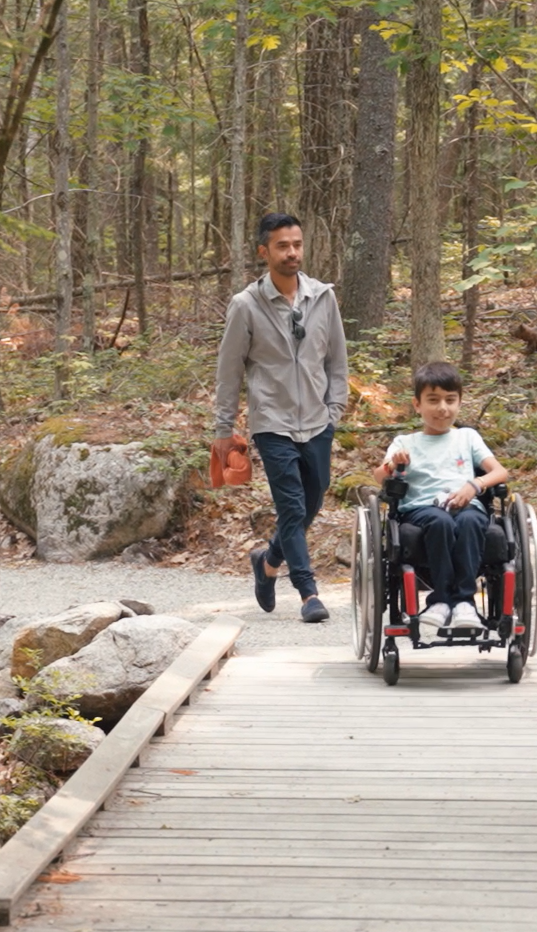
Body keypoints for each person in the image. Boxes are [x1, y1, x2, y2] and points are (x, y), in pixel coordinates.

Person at [214, 212, 349, 624]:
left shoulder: (322, 297)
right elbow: (229, 369)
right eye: (282, 246)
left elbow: (337, 360)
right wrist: (224, 428)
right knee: (290, 504)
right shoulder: (245, 306)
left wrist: (334, 411)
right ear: (264, 251)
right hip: (271, 422)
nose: (291, 253)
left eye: (296, 244)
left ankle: (268, 561)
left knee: (313, 497)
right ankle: (308, 592)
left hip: (317, 420)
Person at [371, 362, 511, 635]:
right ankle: (442, 600)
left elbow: (500, 472)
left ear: (459, 402)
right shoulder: (405, 442)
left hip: (467, 505)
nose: (442, 408)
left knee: (471, 521)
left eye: (450, 400)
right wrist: (393, 466)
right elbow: (379, 477)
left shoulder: (467, 437)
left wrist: (474, 485)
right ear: (417, 404)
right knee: (440, 522)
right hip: (421, 509)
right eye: (433, 401)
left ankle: (464, 602)